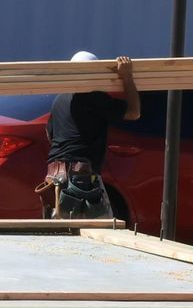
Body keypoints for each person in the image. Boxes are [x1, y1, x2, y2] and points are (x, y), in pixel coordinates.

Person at [42, 50, 140, 220]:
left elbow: (49, 133)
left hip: (55, 175)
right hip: (80, 177)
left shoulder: (60, 99)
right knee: (98, 232)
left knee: (59, 234)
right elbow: (134, 112)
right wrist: (127, 77)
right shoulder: (94, 98)